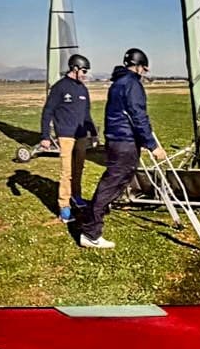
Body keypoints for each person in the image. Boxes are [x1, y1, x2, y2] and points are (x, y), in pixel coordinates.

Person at [76, 47, 166, 249]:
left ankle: (95, 214)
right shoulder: (132, 84)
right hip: (124, 141)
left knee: (116, 180)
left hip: (117, 140)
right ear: (139, 67)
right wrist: (152, 146)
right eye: (144, 68)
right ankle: (91, 232)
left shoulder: (117, 83)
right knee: (111, 183)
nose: (144, 73)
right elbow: (138, 116)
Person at [38, 52, 97, 223]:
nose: (85, 75)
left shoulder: (83, 89)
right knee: (67, 172)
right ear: (75, 68)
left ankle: (76, 197)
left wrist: (93, 133)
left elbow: (87, 115)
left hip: (81, 136)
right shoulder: (60, 87)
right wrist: (45, 136)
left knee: (78, 170)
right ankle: (64, 207)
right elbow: (47, 111)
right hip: (65, 135)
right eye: (84, 71)